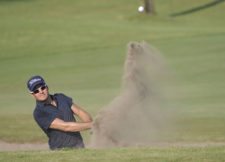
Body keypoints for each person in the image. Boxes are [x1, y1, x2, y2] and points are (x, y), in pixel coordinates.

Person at [27, 75, 93, 150]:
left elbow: (80, 112)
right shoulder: (39, 113)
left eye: (42, 88)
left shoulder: (61, 97)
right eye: (36, 91)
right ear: (32, 95)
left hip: (80, 147)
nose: (41, 91)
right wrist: (92, 125)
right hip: (61, 151)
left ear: (47, 87)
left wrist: (92, 126)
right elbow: (66, 127)